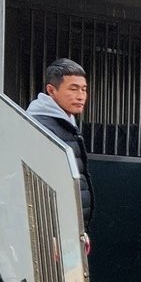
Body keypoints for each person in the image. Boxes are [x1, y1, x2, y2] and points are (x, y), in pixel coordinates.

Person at [26, 58, 95, 242]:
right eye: (73, 89)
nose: (81, 96)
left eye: (84, 89)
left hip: (69, 231)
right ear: (51, 90)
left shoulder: (65, 123)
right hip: (52, 236)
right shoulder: (40, 126)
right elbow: (36, 185)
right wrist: (51, 236)